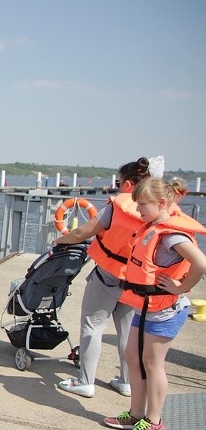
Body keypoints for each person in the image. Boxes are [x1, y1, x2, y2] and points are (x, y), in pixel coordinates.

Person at [104, 178, 205, 430]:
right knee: (132, 356)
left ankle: (154, 421)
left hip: (165, 309)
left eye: (143, 205)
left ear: (161, 203)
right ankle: (136, 413)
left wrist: (181, 287)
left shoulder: (172, 234)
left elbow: (201, 263)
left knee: (153, 363)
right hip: (146, 306)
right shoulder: (153, 227)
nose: (138, 211)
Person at [54, 158, 154, 398]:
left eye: (119, 182)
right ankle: (126, 382)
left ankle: (85, 381)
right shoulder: (154, 209)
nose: (118, 187)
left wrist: (60, 241)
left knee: (92, 325)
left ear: (129, 184)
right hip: (137, 280)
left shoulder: (117, 206)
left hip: (108, 274)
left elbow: (83, 232)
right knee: (127, 331)